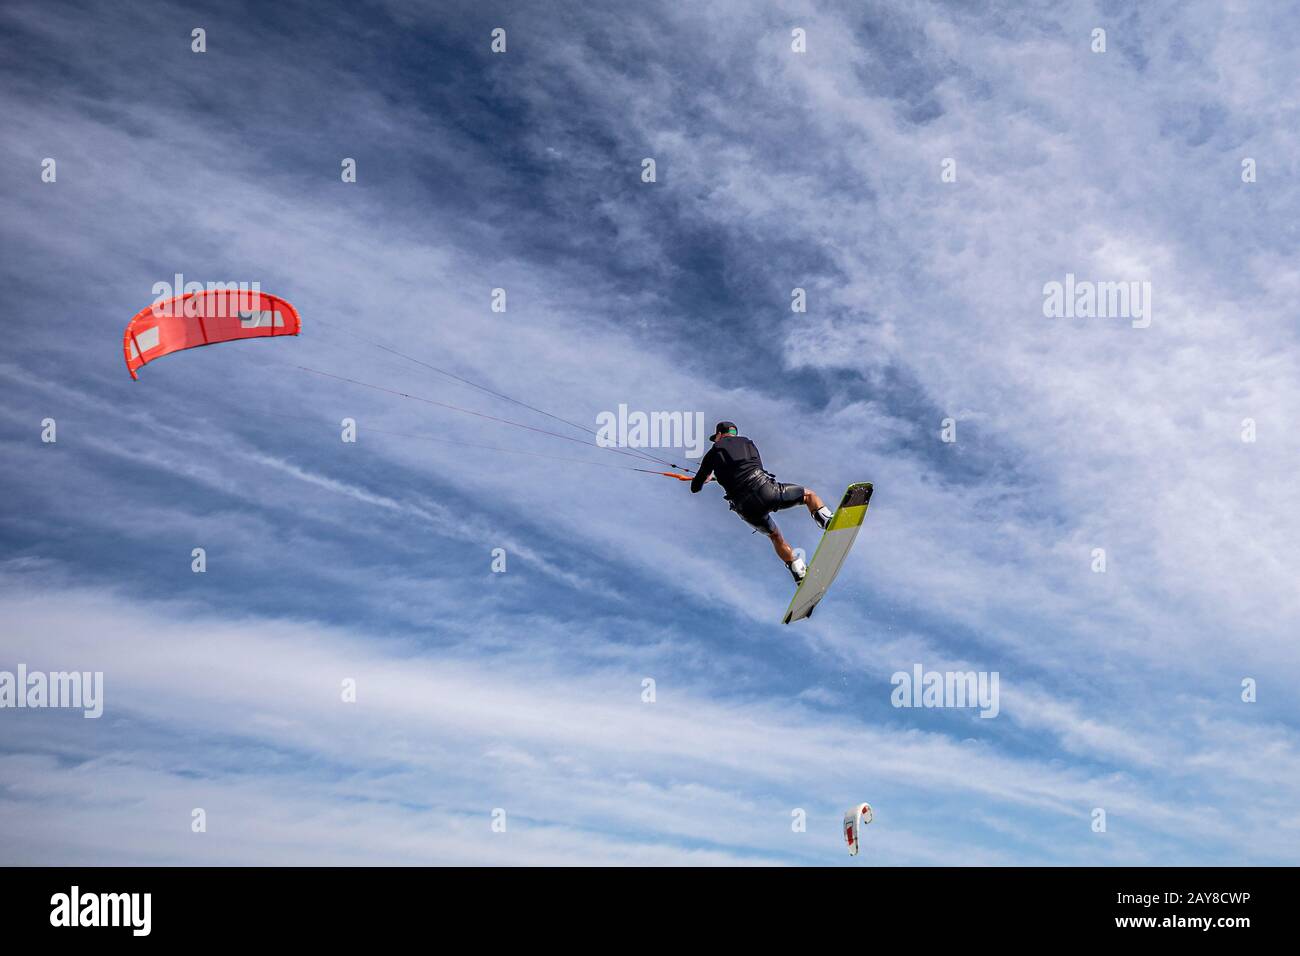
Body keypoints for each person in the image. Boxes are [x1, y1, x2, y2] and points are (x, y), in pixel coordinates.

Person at [690, 421, 834, 583]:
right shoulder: (747, 443)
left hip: (745, 507)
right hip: (765, 489)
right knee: (808, 496)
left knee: (774, 535)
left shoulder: (711, 454)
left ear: (718, 435)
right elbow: (747, 466)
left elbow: (695, 487)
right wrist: (717, 476)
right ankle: (827, 521)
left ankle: (797, 568)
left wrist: (706, 478)